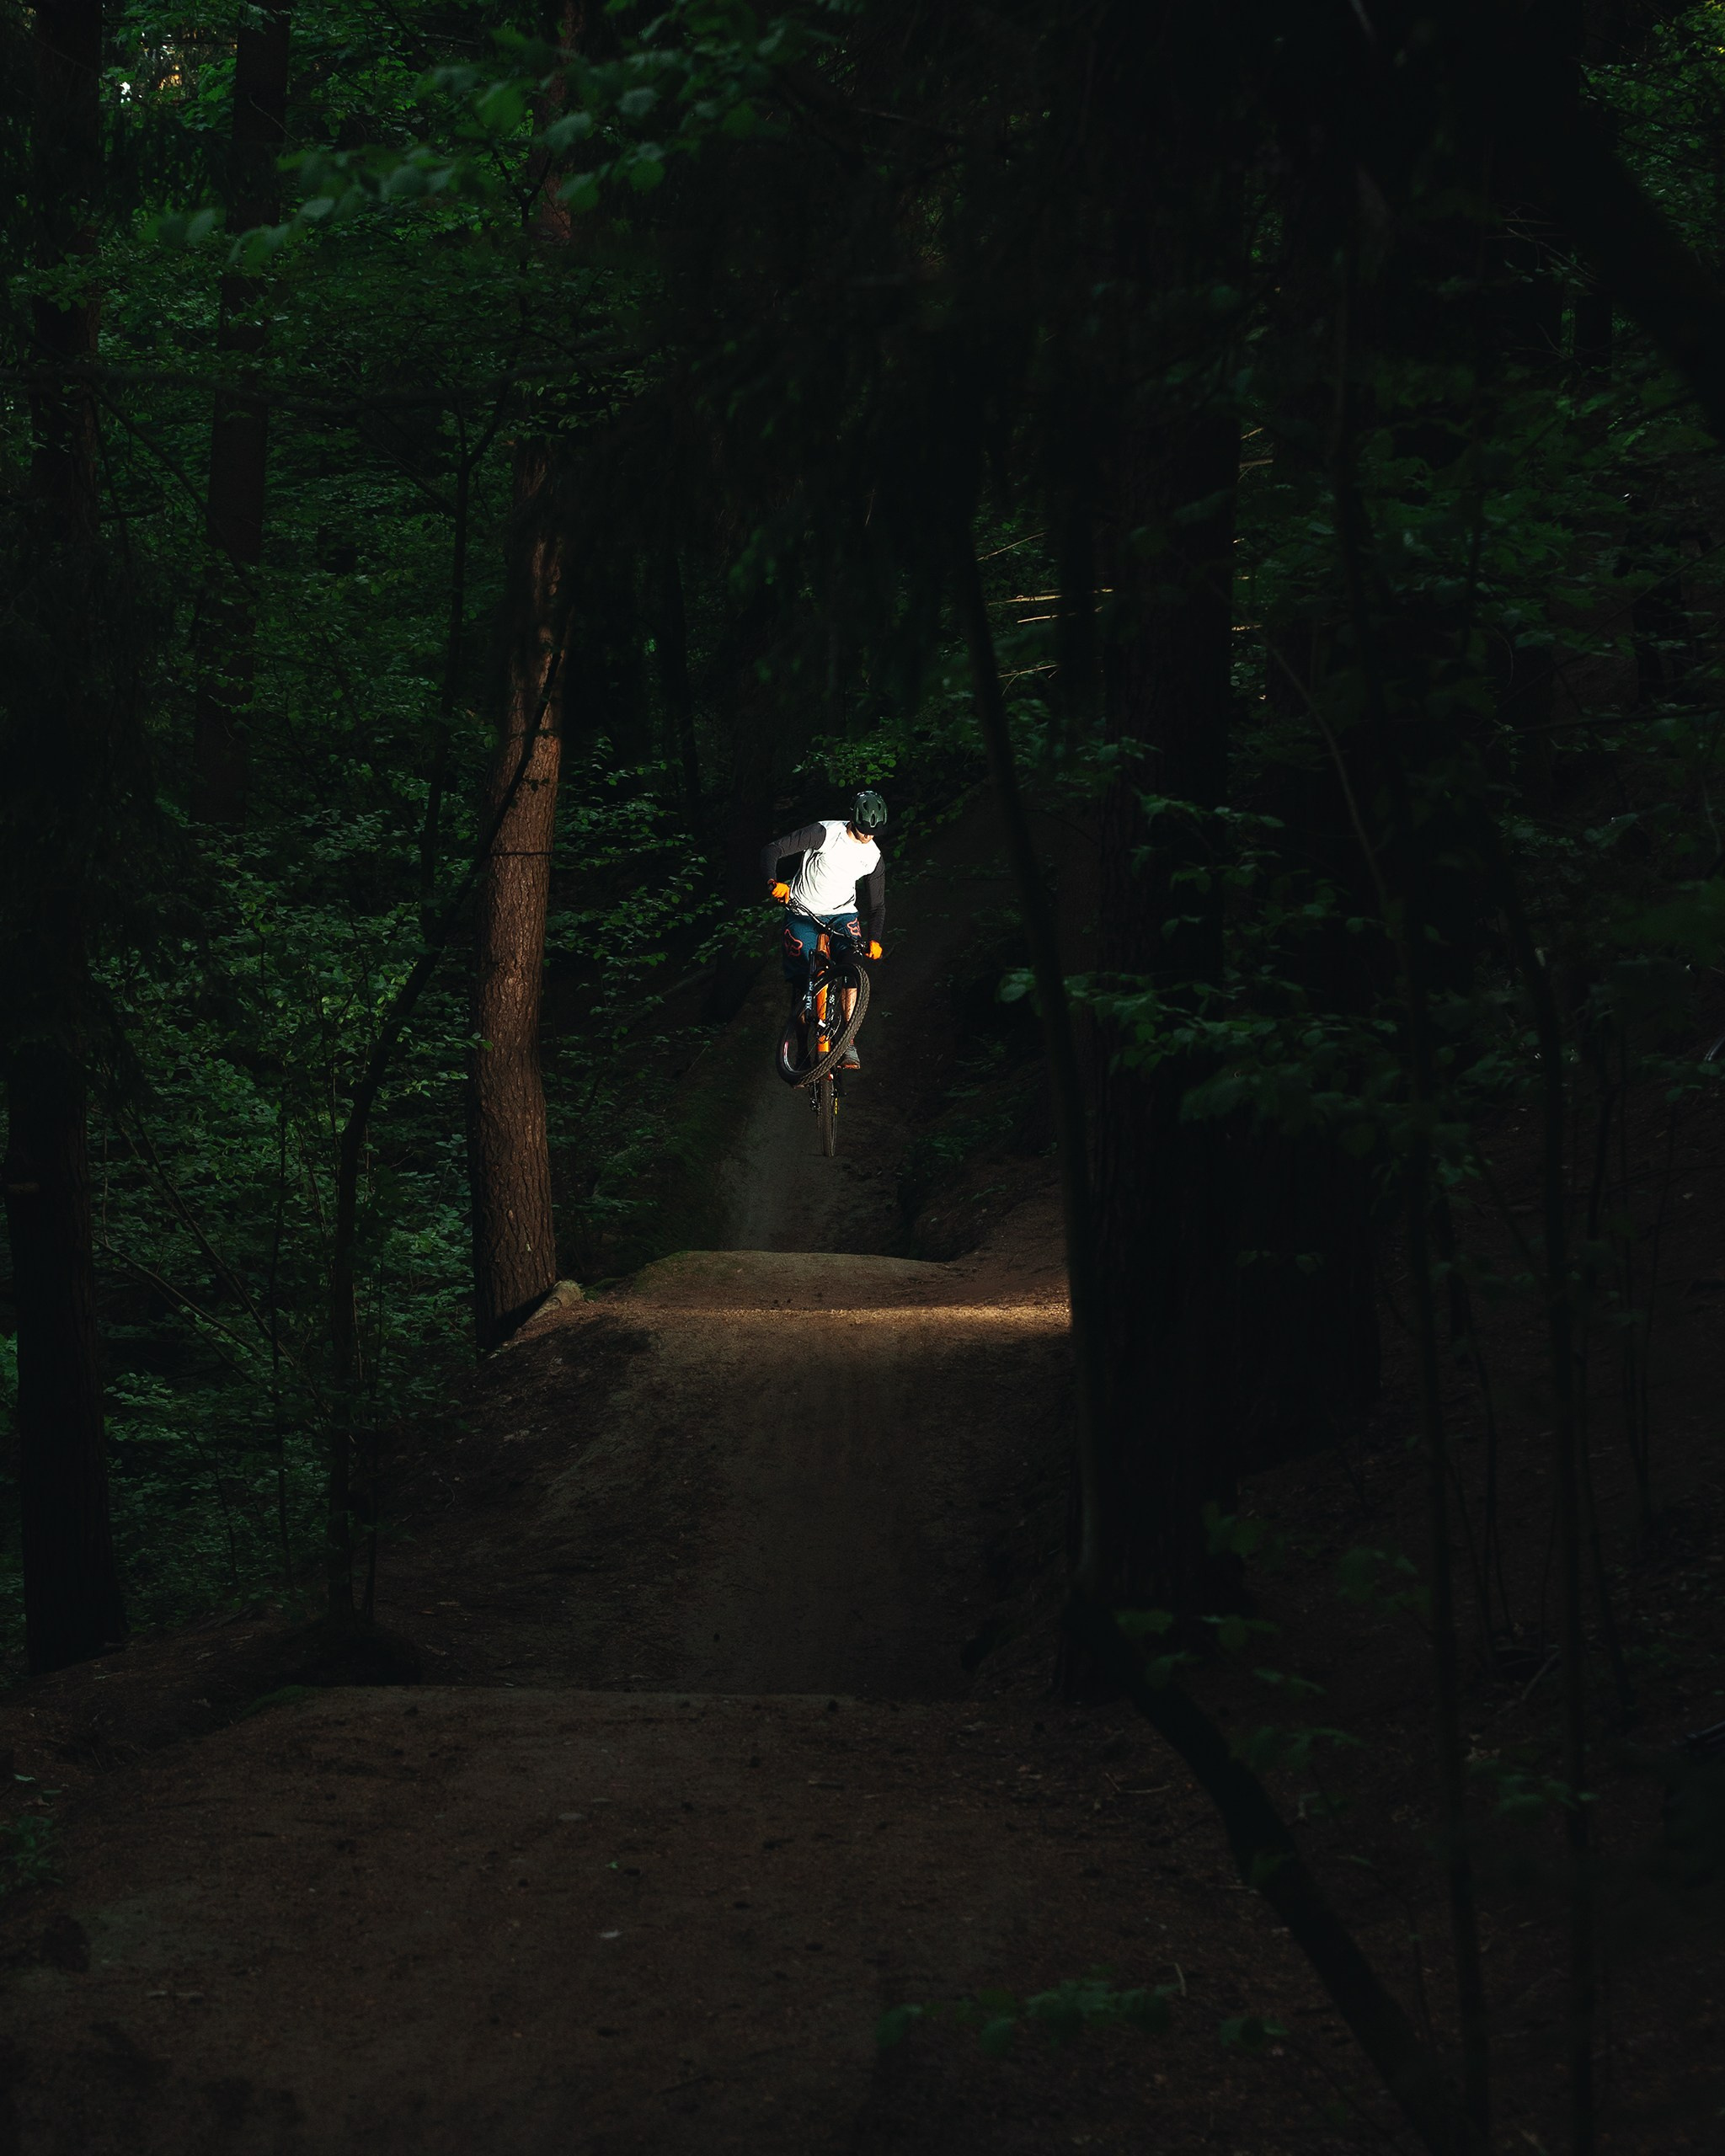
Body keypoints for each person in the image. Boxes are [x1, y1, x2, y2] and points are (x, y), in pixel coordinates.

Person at [761, 790, 886, 1070]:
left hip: (842, 915)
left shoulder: (874, 857)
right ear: (853, 820)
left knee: (853, 964)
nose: (868, 836)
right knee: (802, 984)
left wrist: (875, 939)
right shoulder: (826, 833)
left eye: (874, 832)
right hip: (802, 911)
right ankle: (803, 1050)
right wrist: (773, 883)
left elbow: (878, 906)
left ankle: (848, 1042)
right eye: (864, 830)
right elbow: (772, 849)